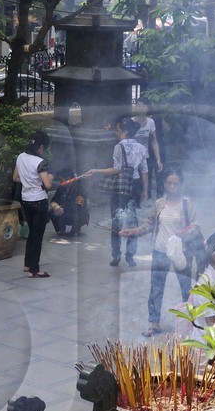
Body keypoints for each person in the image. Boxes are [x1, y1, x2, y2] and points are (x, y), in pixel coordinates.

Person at [121, 167, 200, 337]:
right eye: (169, 182)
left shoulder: (187, 205)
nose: (172, 186)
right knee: (156, 288)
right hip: (160, 251)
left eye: (175, 183)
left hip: (181, 253)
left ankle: (191, 323)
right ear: (164, 184)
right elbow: (149, 225)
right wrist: (133, 231)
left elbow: (195, 227)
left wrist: (182, 235)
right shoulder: (159, 204)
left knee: (186, 287)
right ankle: (154, 323)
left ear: (181, 184)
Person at [85, 116, 149, 267]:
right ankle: (131, 256)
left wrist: (96, 170)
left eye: (118, 129)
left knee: (116, 220)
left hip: (120, 188)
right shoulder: (141, 147)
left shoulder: (119, 146)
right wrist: (145, 190)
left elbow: (116, 169)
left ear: (125, 131)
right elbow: (144, 170)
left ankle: (116, 255)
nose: (116, 132)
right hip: (135, 186)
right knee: (133, 221)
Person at [13, 131, 57, 278]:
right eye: (43, 148)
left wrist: (28, 181)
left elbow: (16, 177)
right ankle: (34, 270)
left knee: (32, 232)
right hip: (39, 201)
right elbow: (48, 184)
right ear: (41, 147)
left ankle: (27, 264)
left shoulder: (20, 157)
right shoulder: (40, 162)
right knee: (37, 236)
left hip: (25, 200)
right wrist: (49, 177)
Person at [131, 99, 163, 176]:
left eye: (144, 106)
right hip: (132, 158)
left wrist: (158, 160)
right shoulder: (130, 122)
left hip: (145, 157)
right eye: (138, 106)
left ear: (148, 108)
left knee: (146, 182)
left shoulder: (151, 122)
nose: (140, 108)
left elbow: (154, 142)